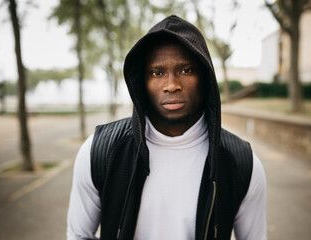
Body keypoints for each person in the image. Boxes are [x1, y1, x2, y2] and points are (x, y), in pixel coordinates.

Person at [67, 15, 267, 240]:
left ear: (205, 77)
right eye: (157, 73)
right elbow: (78, 234)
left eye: (186, 70)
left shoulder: (241, 162)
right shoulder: (101, 150)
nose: (172, 85)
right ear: (141, 82)